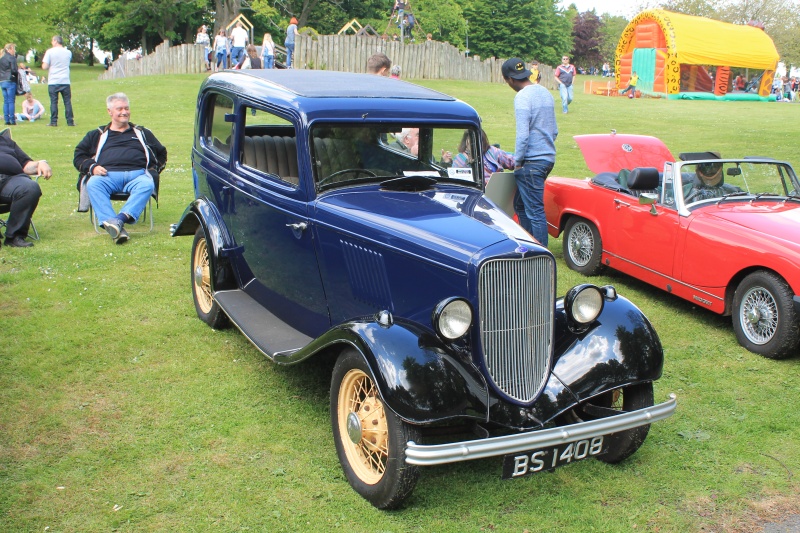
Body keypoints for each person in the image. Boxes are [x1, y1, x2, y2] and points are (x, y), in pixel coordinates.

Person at [73, 93, 167, 244]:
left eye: (127, 108)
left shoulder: (142, 133)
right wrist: (92, 167)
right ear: (110, 111)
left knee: (148, 184)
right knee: (93, 184)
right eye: (119, 109)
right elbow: (78, 156)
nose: (124, 112)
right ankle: (116, 225)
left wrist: (153, 170)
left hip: (137, 176)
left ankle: (118, 221)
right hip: (107, 176)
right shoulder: (97, 134)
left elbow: (161, 153)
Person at [501, 57, 557, 246]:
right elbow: (554, 130)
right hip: (548, 158)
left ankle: (540, 255)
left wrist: (518, 162)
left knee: (535, 211)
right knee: (520, 205)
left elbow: (523, 135)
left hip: (531, 163)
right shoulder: (545, 92)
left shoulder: (522, 97)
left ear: (509, 79)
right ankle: (527, 244)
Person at [0, 132, 52, 247]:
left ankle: (14, 237)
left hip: (12, 179)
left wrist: (40, 163)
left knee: (30, 188)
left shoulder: (6, 141)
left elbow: (26, 164)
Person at [42, 35, 74, 127]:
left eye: (52, 41)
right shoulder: (68, 52)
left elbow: (45, 66)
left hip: (53, 80)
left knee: (54, 102)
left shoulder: (50, 52)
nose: (52, 43)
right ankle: (70, 121)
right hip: (65, 80)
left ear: (55, 41)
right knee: (67, 101)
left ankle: (53, 121)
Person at [0, 43, 18, 126]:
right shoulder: (12, 58)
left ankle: (6, 119)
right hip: (10, 80)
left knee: (6, 101)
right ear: (10, 49)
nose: (14, 51)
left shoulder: (2, 58)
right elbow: (14, 70)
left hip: (2, 80)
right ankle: (12, 119)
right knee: (11, 100)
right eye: (13, 49)